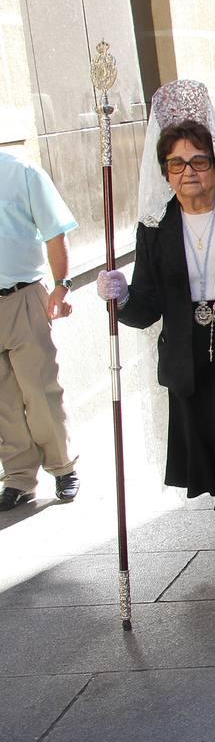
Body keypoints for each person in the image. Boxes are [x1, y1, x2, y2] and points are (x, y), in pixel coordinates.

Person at [97, 80, 215, 596]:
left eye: (198, 161)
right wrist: (119, 296)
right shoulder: (156, 228)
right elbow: (149, 304)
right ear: (164, 172)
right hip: (188, 361)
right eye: (176, 164)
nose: (189, 173)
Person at [0, 152, 80, 511]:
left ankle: (63, 467)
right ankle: (17, 479)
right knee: (3, 400)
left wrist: (62, 285)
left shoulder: (22, 172)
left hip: (22, 296)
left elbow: (54, 232)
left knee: (40, 388)